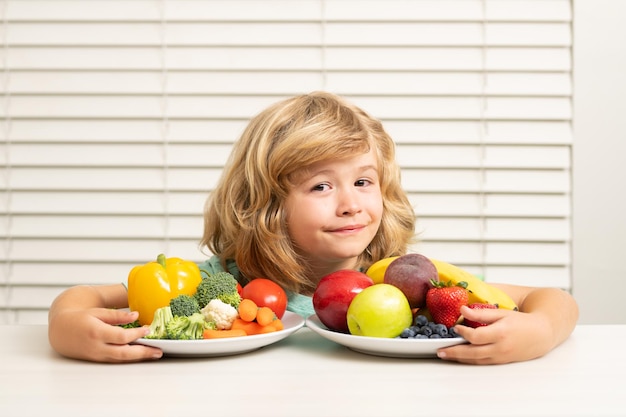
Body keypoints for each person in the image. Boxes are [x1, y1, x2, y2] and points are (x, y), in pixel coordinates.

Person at [48, 91, 578, 365]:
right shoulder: (222, 287)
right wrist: (68, 328)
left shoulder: (406, 283)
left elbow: (551, 299)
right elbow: (86, 297)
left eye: (364, 182)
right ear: (266, 206)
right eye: (322, 187)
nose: (351, 205)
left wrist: (541, 331)